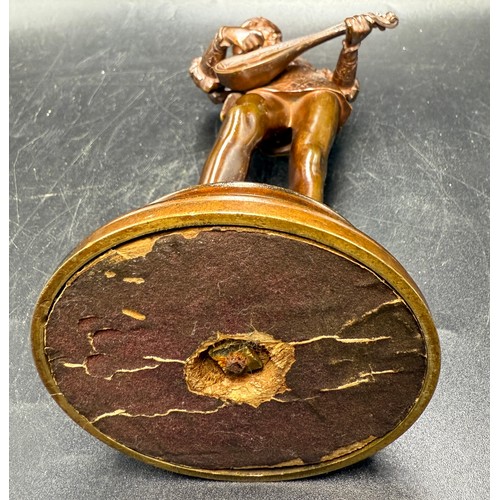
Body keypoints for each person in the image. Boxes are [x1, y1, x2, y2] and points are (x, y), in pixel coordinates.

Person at [189, 16, 372, 202]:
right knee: (243, 114)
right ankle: (208, 201)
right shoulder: (239, 72)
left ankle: (306, 214)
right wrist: (224, 36)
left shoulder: (305, 67)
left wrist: (351, 47)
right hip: (265, 98)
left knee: (309, 151)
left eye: (268, 33)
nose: (263, 36)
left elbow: (344, 89)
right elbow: (207, 79)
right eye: (252, 32)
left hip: (316, 93)